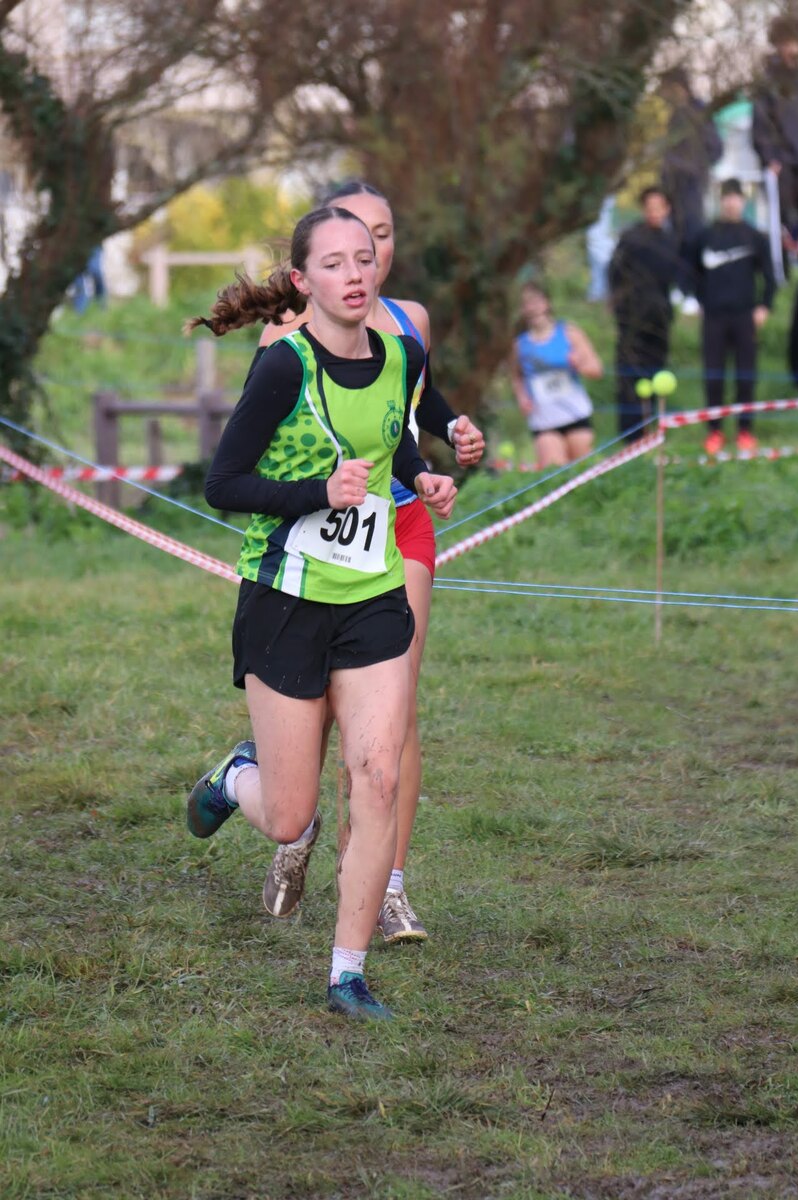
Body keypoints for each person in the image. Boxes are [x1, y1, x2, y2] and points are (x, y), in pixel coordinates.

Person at [184, 205, 458, 1020]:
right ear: (304, 282)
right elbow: (222, 483)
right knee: (290, 815)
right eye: (333, 264)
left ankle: (347, 974)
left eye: (364, 258)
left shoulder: (403, 353)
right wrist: (317, 492)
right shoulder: (284, 366)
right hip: (285, 599)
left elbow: (393, 443)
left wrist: (422, 476)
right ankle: (235, 778)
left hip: (372, 595)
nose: (354, 274)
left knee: (377, 774)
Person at [256, 181, 485, 945]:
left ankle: (386, 885)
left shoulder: (410, 322)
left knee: (394, 710)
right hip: (314, 536)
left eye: (381, 237)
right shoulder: (288, 335)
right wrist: (318, 486)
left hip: (400, 523)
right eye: (354, 241)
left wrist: (452, 430)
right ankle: (292, 826)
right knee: (318, 709)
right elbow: (256, 447)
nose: (370, 255)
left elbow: (419, 401)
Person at [690, 178, 775, 455]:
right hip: (714, 316)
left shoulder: (755, 236)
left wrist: (764, 306)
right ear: (720, 201)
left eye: (735, 197)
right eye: (726, 197)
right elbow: (690, 271)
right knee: (714, 375)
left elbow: (769, 275)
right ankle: (714, 431)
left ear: (742, 201)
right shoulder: (706, 235)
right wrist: (697, 300)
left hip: (744, 315)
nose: (731, 202)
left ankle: (745, 430)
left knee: (745, 375)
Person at [609, 186, 688, 441]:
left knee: (655, 372)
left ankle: (651, 430)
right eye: (650, 207)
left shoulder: (671, 241)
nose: (654, 212)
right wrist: (622, 311)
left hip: (659, 318)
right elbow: (615, 276)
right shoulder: (630, 239)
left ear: (667, 209)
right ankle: (629, 436)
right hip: (631, 319)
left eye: (659, 207)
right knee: (630, 375)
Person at [511, 282, 602, 467]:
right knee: (555, 475)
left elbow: (596, 369)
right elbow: (516, 376)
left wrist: (579, 365)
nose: (532, 308)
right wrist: (522, 397)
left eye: (536, 301)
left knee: (585, 471)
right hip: (543, 421)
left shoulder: (570, 332)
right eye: (526, 304)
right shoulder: (519, 345)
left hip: (575, 414)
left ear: (546, 303)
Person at [659, 68, 723, 252]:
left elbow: (716, 148)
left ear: (678, 88)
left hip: (690, 183)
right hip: (673, 183)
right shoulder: (674, 114)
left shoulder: (698, 113)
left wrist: (692, 167)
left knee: (691, 232)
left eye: (666, 88)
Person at [753, 16, 798, 247]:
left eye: (794, 42)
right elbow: (761, 124)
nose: (791, 49)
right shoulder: (769, 82)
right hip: (783, 161)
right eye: (785, 43)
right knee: (788, 219)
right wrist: (770, 156)